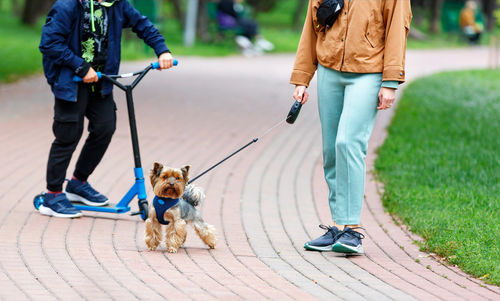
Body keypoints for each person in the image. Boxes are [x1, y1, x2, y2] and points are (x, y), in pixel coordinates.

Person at [290, 0, 412, 254]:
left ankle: (352, 231)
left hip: (369, 72)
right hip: (328, 70)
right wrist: (302, 78)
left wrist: (390, 81)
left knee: (348, 143)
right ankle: (337, 226)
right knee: (332, 150)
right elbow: (311, 28)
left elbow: (396, 30)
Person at [38, 0, 174, 218]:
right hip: (71, 81)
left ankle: (77, 183)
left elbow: (142, 24)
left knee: (104, 128)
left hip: (101, 81)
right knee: (68, 135)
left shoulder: (117, 5)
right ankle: (52, 195)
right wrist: (80, 67)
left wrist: (162, 50)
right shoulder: (67, 6)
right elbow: (50, 43)